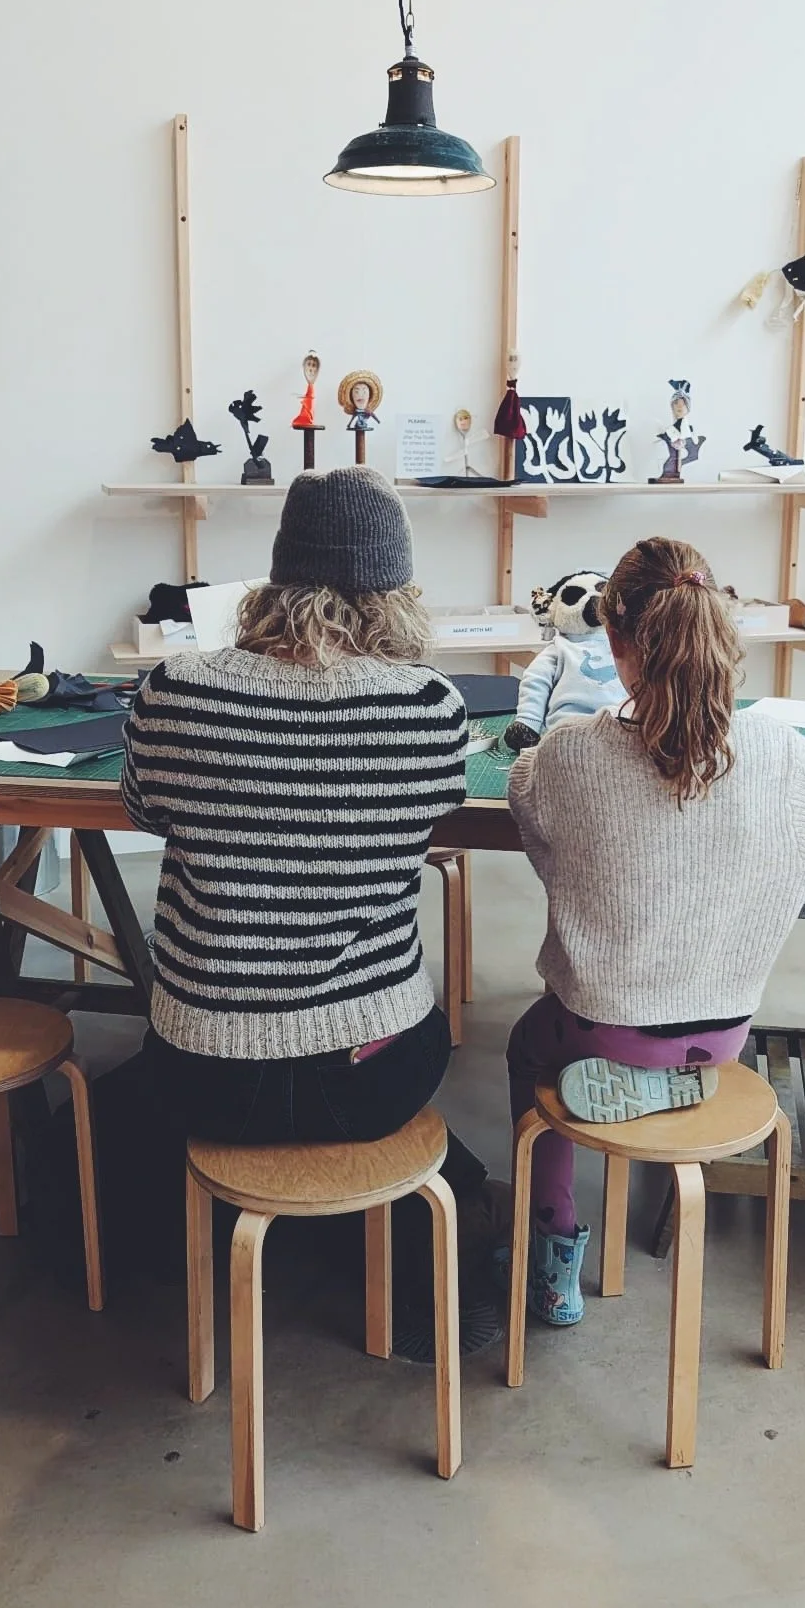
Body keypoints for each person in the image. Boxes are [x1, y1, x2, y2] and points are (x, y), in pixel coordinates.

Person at [506, 535, 805, 1327]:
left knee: (521, 1047)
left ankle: (554, 1254)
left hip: (595, 1033)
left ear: (612, 642)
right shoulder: (780, 756)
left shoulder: (572, 754)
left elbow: (528, 809)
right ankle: (676, 1082)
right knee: (678, 1039)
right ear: (724, 634)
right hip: (722, 1035)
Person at [121, 467, 471, 1150]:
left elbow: (143, 811)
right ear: (395, 594)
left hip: (202, 1071)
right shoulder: (430, 707)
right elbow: (430, 822)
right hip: (373, 1070)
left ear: (275, 584)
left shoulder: (174, 690)